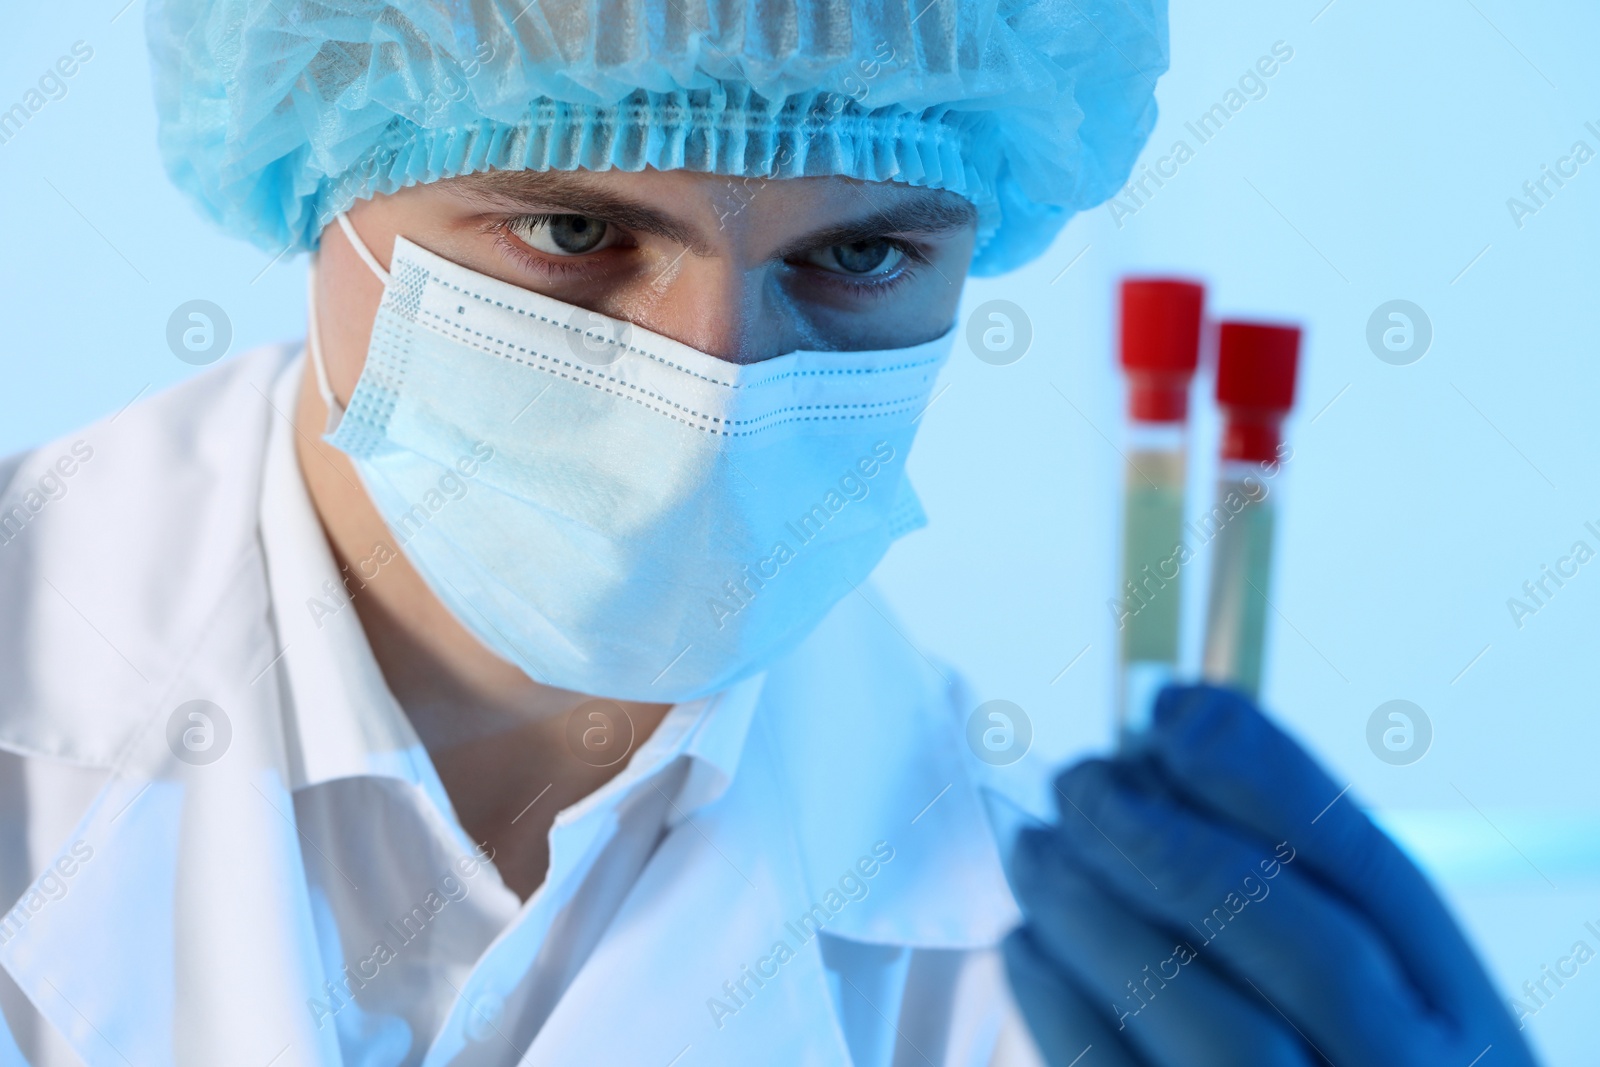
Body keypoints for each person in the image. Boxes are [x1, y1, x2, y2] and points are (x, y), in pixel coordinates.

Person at [0, 1, 1534, 1066]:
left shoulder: (1065, 963)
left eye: (860, 252)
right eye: (574, 232)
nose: (719, 376)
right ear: (318, 184)